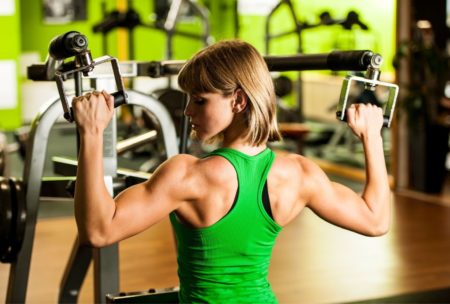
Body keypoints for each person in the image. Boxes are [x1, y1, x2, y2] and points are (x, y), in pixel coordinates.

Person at [72, 39, 391, 303]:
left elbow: (99, 231)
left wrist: (91, 133)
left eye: (199, 100)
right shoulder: (299, 174)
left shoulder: (187, 176)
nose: (187, 111)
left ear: (238, 101)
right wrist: (372, 136)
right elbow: (375, 220)